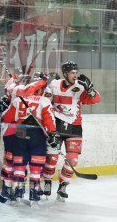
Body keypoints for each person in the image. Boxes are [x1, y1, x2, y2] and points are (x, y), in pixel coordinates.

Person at [43, 61, 101, 201]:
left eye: (76, 72)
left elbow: (96, 100)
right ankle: (47, 181)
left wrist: (90, 89)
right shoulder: (54, 85)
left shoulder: (80, 88)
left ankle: (63, 185)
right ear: (65, 74)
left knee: (72, 160)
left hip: (74, 127)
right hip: (56, 125)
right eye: (72, 73)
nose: (75, 75)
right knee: (52, 157)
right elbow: (44, 103)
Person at [0, 73, 55, 203]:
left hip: (20, 134)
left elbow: (6, 118)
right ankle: (34, 192)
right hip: (37, 136)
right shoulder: (44, 101)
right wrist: (53, 134)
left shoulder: (18, 100)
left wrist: (2, 109)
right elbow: (49, 121)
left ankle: (18, 190)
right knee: (36, 166)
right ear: (40, 89)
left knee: (20, 164)